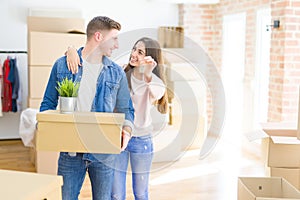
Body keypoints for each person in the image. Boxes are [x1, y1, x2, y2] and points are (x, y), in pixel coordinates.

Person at [40, 16, 134, 200]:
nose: (117, 45)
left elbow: (126, 109)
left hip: (104, 153)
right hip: (70, 153)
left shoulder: (116, 73)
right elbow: (47, 104)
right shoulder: (63, 65)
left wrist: (127, 131)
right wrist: (46, 129)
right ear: (99, 36)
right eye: (114, 39)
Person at [66, 37, 168, 200]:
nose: (134, 54)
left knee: (141, 193)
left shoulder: (152, 81)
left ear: (150, 58)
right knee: (115, 194)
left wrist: (148, 73)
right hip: (117, 137)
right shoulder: (120, 71)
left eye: (140, 52)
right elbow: (93, 62)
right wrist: (72, 49)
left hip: (141, 141)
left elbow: (158, 93)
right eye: (134, 49)